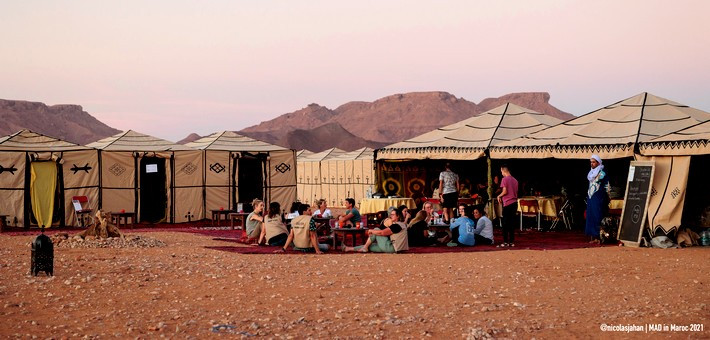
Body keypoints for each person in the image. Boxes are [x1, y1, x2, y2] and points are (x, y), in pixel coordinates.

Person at [343, 208, 408, 253]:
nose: (391, 216)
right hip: (397, 248)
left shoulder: (397, 225)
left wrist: (371, 231)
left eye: (393, 215)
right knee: (370, 246)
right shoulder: (401, 224)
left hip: (392, 248)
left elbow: (382, 233)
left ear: (398, 216)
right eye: (391, 214)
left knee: (376, 229)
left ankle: (365, 247)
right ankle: (348, 248)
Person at [586, 155, 610, 244]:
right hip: (591, 197)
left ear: (598, 163)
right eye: (591, 162)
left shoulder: (602, 172)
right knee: (591, 216)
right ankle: (593, 236)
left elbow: (604, 185)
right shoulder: (591, 173)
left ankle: (600, 237)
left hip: (599, 197)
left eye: (594, 162)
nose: (592, 164)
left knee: (598, 216)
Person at [496, 164, 518, 248]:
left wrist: (499, 196)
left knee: (505, 223)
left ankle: (505, 241)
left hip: (507, 203)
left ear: (503, 170)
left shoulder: (504, 179)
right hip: (514, 203)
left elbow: (505, 191)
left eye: (501, 171)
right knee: (512, 223)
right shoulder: (515, 180)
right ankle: (512, 241)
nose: (501, 173)